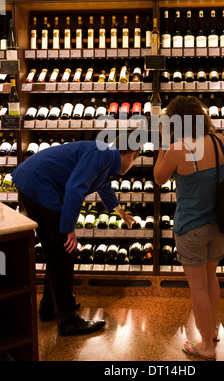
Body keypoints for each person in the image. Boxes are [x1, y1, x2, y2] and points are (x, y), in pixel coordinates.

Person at [12, 133, 139, 336]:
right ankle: (68, 320)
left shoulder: (106, 156)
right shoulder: (103, 155)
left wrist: (120, 212)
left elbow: (103, 186)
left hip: (32, 181)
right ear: (132, 155)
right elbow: (75, 188)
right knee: (64, 251)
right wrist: (69, 228)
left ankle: (50, 307)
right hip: (40, 185)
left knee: (56, 251)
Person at [154, 95, 224, 361]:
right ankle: (210, 333)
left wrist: (163, 144)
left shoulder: (178, 148)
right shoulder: (221, 141)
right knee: (211, 278)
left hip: (191, 226)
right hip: (220, 225)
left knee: (198, 287)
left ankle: (206, 347)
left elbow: (159, 178)